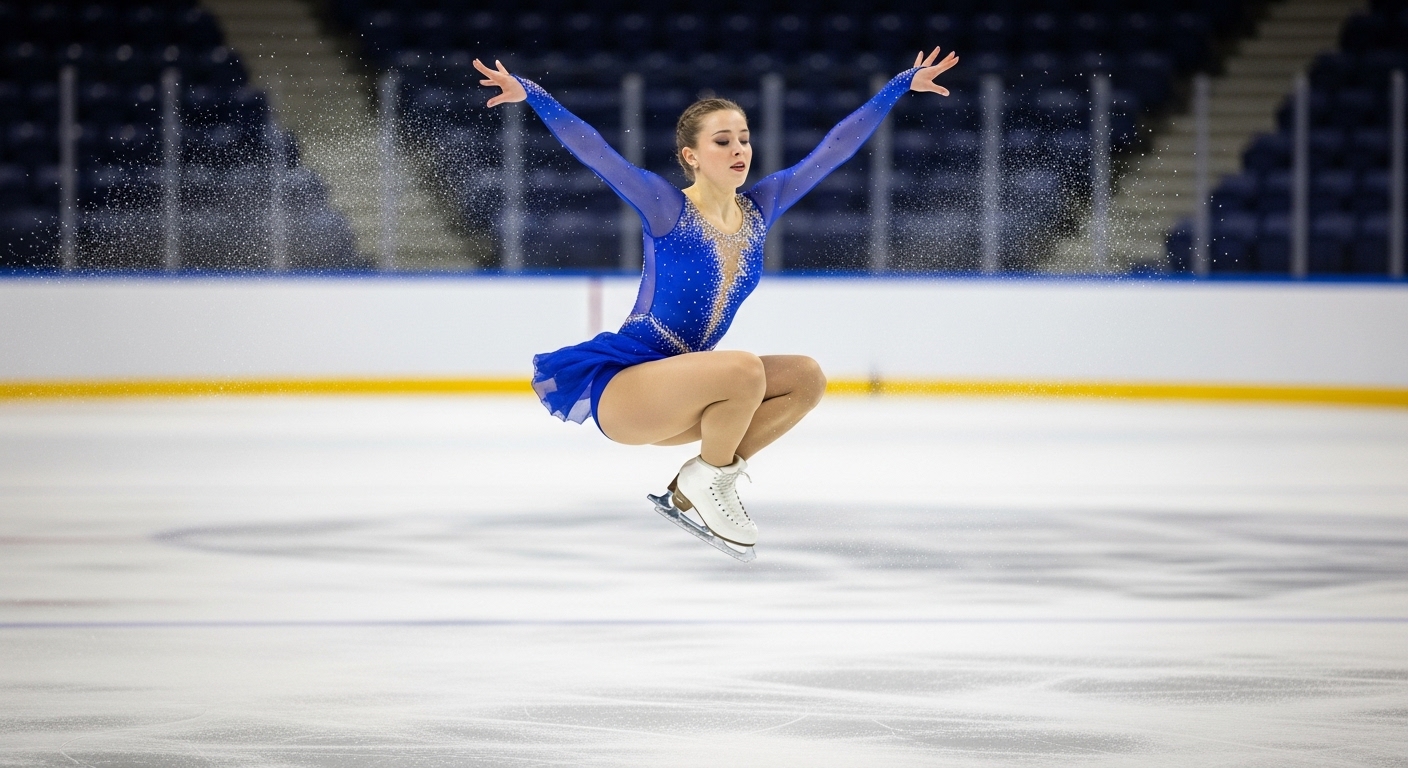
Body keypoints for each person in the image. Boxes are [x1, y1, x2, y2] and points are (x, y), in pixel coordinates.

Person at [474, 48, 958, 552]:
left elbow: (833, 150)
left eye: (744, 139)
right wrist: (533, 94)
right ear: (690, 155)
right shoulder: (665, 206)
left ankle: (704, 479)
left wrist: (899, 84)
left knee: (806, 378)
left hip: (686, 395)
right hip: (627, 391)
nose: (739, 150)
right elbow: (595, 150)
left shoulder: (760, 208)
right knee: (744, 369)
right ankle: (710, 482)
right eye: (722, 141)